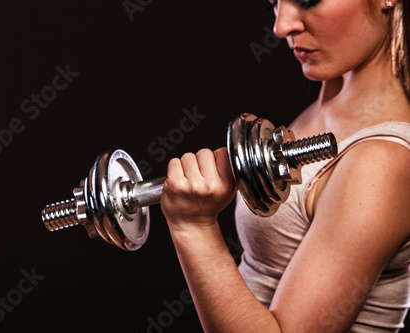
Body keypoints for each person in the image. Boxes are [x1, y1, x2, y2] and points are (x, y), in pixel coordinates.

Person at [160, 0, 410, 332]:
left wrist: (193, 227)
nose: (281, 27)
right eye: (274, 3)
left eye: (307, 0)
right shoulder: (327, 109)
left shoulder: (382, 161)